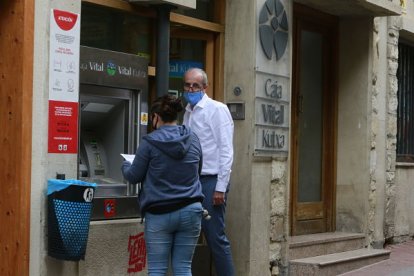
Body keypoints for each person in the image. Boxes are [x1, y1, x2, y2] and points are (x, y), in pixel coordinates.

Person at [121, 94, 204, 276]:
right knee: (183, 267)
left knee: (157, 269)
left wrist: (126, 165)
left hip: (159, 213)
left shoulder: (149, 142)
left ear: (156, 117)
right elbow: (197, 172)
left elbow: (134, 176)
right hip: (191, 210)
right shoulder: (194, 139)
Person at [182, 68, 235, 276]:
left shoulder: (217, 109)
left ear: (205, 87)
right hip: (191, 181)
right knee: (188, 235)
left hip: (211, 181)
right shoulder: (187, 111)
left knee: (215, 237)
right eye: (187, 85)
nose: (191, 89)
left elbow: (226, 150)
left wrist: (221, 187)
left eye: (195, 85)